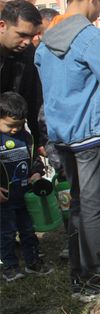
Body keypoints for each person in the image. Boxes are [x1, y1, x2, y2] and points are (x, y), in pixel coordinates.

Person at [35, 0, 100, 301]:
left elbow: (47, 93)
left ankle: (79, 277)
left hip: (62, 138)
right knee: (92, 208)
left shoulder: (44, 44)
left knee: (78, 206)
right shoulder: (93, 38)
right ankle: (94, 277)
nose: (99, 12)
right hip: (92, 137)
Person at [0, 92, 52, 282]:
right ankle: (10, 267)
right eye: (9, 125)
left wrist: (37, 173)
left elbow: (34, 161)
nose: (15, 130)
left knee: (29, 230)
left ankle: (33, 262)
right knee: (6, 234)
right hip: (4, 199)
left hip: (24, 196)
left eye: (19, 125)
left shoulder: (27, 139)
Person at [0, 0, 44, 150]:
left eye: (31, 36)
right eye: (22, 35)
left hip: (14, 138)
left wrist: (39, 141)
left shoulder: (29, 53)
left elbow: (34, 101)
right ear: (2, 26)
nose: (27, 42)